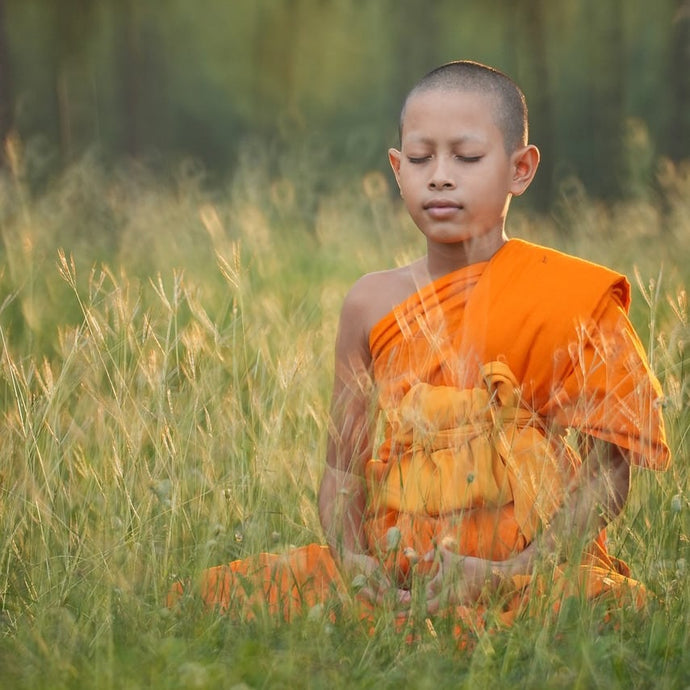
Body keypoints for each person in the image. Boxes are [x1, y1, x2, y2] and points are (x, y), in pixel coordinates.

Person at [168, 60, 670, 633]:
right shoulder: (370, 302)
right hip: (399, 569)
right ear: (396, 168)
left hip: (531, 571)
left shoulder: (570, 296)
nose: (440, 176)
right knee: (214, 596)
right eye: (420, 157)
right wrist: (357, 561)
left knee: (597, 611)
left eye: (468, 157)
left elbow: (610, 471)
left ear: (520, 169)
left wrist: (514, 570)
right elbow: (343, 470)